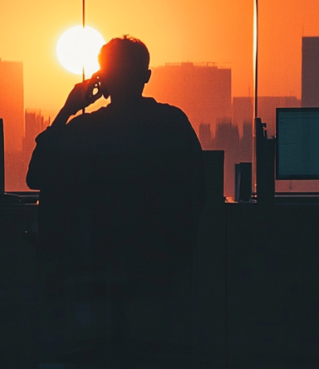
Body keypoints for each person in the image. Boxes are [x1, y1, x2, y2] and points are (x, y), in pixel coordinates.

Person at [27, 35, 206, 294]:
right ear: (146, 76)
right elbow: (199, 188)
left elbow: (35, 176)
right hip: (161, 263)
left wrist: (68, 110)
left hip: (95, 261)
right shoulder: (174, 123)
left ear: (104, 79)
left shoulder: (86, 129)